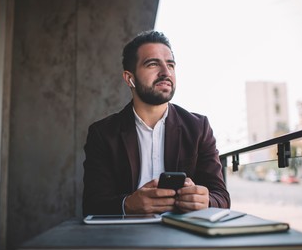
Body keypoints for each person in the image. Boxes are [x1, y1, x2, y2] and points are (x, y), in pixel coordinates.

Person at [82, 30, 230, 216]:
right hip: (126, 236)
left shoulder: (198, 127)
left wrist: (206, 200)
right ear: (130, 78)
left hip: (183, 235)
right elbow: (92, 204)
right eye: (153, 64)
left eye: (171, 65)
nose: (166, 72)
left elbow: (222, 197)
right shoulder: (103, 133)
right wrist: (127, 205)